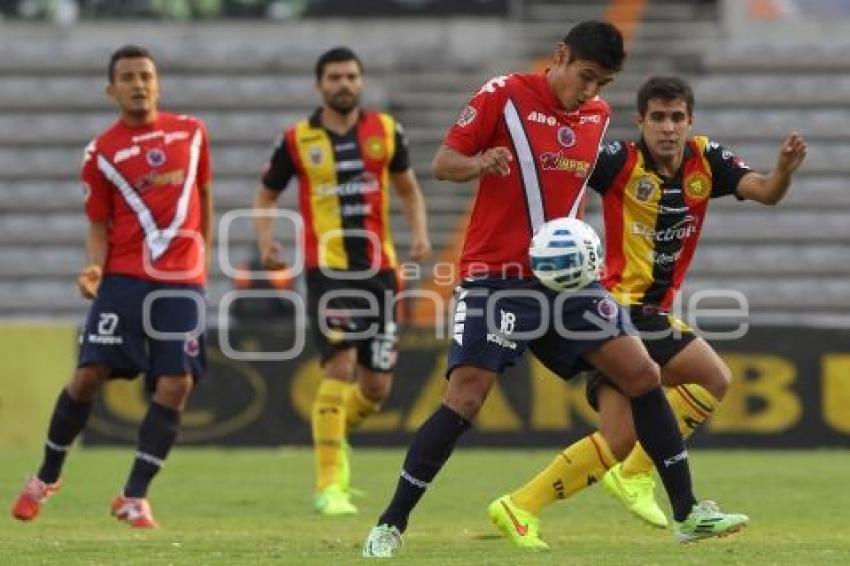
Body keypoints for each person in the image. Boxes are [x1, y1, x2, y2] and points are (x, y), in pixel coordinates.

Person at [362, 22, 748, 558]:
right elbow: (443, 164)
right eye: (587, 76)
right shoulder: (503, 94)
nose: (591, 91)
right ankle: (391, 523)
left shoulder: (597, 117)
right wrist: (479, 164)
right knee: (467, 397)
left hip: (569, 284)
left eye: (604, 82)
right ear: (561, 56)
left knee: (641, 372)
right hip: (497, 278)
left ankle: (687, 512)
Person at [490, 75, 806, 545]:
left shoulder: (706, 160)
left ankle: (518, 506)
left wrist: (783, 171)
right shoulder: (620, 161)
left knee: (617, 440)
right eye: (657, 117)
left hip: (632, 315)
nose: (668, 128)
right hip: (619, 306)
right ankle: (641, 476)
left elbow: (765, 191)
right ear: (640, 121)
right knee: (714, 377)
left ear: (689, 121)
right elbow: (562, 176)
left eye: (677, 117)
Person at [11, 45, 213, 528]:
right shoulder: (101, 152)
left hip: (181, 281)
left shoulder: (193, 133)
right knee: (88, 375)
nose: (138, 84)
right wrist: (94, 268)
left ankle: (133, 496)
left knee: (177, 382)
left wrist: (199, 257)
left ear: (158, 83)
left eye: (145, 75)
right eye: (127, 77)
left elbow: (203, 195)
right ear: (112, 89)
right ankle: (45, 476)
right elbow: (98, 223)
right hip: (123, 276)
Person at [253, 46, 431, 516]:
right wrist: (268, 242)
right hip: (327, 271)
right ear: (319, 85)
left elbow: (409, 188)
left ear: (362, 82)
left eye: (351, 76)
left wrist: (419, 235)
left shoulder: (386, 132)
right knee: (338, 367)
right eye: (334, 77)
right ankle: (330, 484)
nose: (343, 84)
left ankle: (331, 441)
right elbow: (267, 194)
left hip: (380, 272)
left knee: (376, 388)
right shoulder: (296, 140)